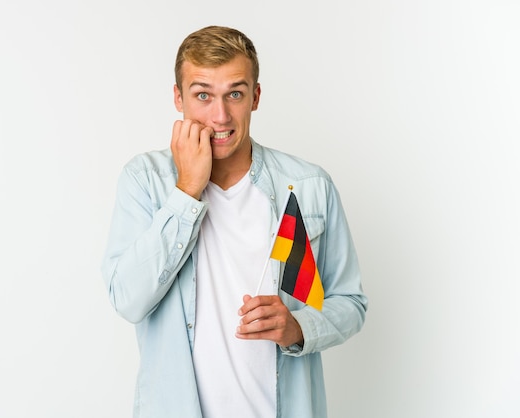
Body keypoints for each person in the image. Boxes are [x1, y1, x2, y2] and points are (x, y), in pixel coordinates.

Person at [102, 25, 368, 418]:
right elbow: (128, 300)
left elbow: (351, 303)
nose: (220, 115)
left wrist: (298, 327)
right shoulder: (145, 181)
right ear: (179, 97)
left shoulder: (309, 187)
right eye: (203, 95)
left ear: (255, 97)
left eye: (235, 94)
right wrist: (187, 192)